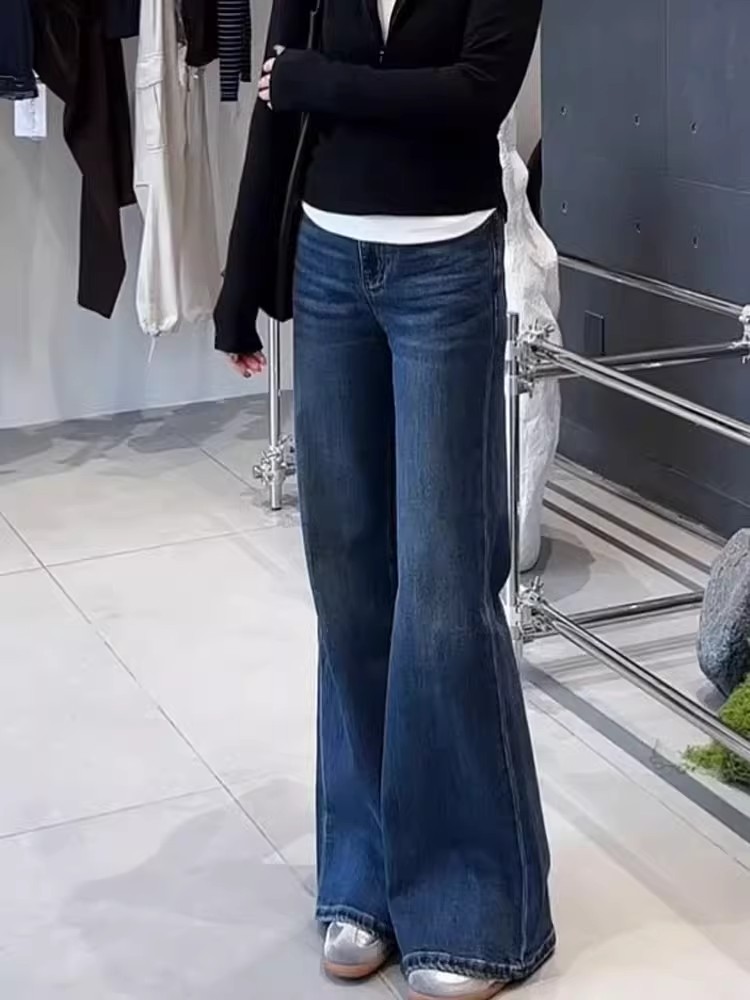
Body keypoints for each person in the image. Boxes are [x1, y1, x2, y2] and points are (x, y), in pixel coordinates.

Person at [214, 1, 555, 997]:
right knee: (349, 582)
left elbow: (474, 94)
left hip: (446, 270)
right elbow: (275, 103)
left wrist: (320, 83)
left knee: (444, 592)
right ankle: (364, 874)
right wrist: (243, 276)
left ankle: (474, 904)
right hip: (329, 266)